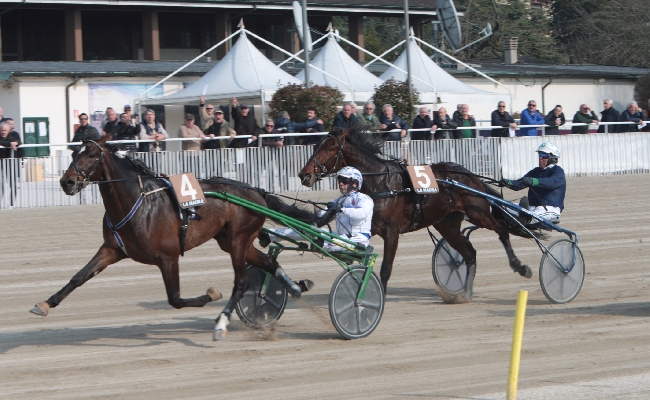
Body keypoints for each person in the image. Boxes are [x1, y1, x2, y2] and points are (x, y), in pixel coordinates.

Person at [263, 166, 374, 252]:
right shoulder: (339, 200)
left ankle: (321, 244)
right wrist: (303, 221)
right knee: (309, 231)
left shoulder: (364, 199)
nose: (341, 184)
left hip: (358, 240)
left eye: (344, 181)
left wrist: (341, 209)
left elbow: (361, 214)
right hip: (341, 236)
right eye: (339, 180)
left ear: (355, 183)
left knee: (319, 242)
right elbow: (320, 216)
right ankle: (270, 234)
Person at [501, 142, 566, 223]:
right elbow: (518, 184)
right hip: (531, 207)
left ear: (553, 158)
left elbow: (551, 183)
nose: (540, 158)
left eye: (544, 156)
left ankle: (524, 218)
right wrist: (506, 182)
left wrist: (533, 181)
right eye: (539, 155)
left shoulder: (558, 171)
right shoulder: (536, 171)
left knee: (530, 217)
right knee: (501, 207)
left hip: (549, 209)